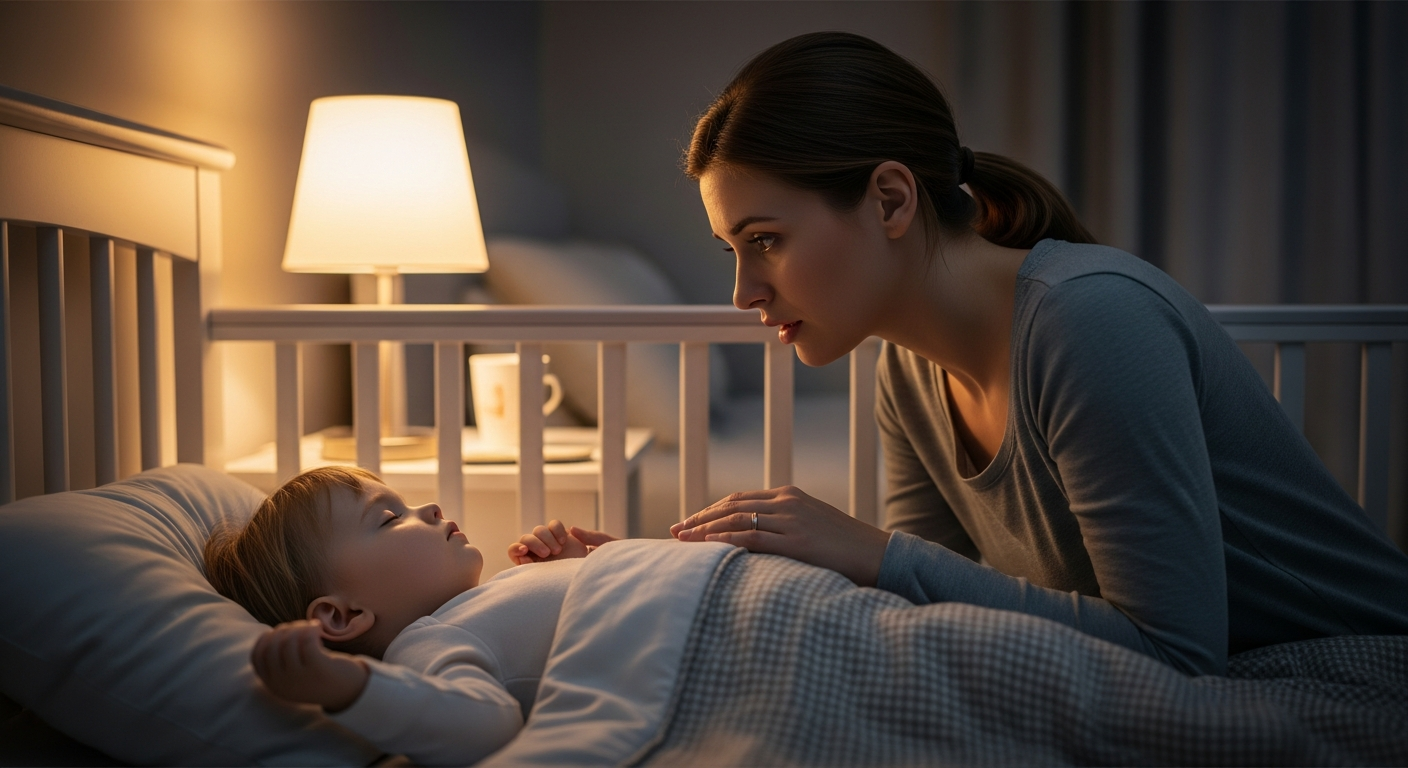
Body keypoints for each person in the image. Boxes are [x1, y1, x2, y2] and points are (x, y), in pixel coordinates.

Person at [669, 31, 1408, 676]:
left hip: (1357, 658)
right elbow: (920, 609)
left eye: (765, 240)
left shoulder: (1090, 319)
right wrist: (679, 573)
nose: (743, 292)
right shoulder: (906, 367)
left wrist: (873, 549)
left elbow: (1178, 654)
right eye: (732, 249)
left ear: (891, 200)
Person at [203, 466, 605, 766]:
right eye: (390, 518)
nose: (430, 507)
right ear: (342, 615)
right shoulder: (431, 641)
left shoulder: (489, 595)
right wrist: (353, 689)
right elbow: (487, 728)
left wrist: (579, 566)